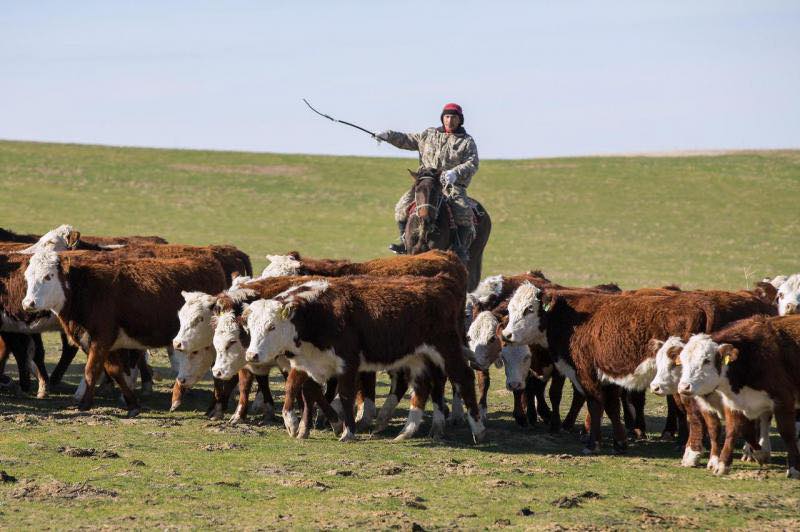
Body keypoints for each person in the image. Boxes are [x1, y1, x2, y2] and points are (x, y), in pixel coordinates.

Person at [376, 103, 479, 262]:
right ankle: (405, 244)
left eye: (453, 117)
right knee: (401, 207)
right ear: (442, 118)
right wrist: (387, 136)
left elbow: (472, 163)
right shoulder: (428, 134)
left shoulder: (466, 142)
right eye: (447, 116)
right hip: (426, 181)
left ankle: (460, 248)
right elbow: (407, 139)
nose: (449, 120)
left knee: (464, 213)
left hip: (450, 185)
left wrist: (455, 173)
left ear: (460, 120)